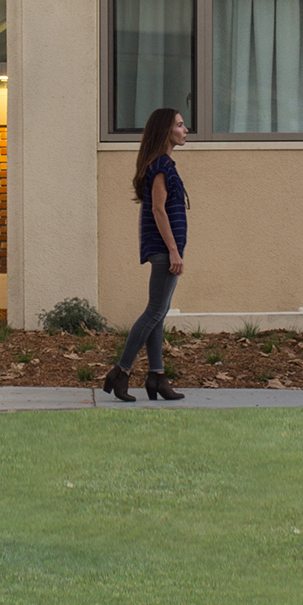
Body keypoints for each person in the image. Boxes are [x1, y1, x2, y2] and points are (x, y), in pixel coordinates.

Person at [104, 107, 190, 402]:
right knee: (154, 311)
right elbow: (157, 209)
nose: (185, 129)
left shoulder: (161, 164)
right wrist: (174, 250)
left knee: (158, 313)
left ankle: (157, 376)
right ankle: (121, 371)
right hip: (165, 251)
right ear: (167, 131)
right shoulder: (161, 165)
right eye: (180, 125)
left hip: (164, 250)